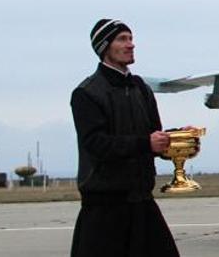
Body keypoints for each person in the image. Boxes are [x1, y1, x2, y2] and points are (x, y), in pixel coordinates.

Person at [70, 19, 180, 257]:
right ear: (104, 46)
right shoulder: (86, 93)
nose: (131, 45)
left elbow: (152, 137)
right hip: (104, 208)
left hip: (141, 201)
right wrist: (146, 143)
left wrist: (176, 139)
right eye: (122, 39)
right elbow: (96, 144)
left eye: (131, 38)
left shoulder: (141, 88)